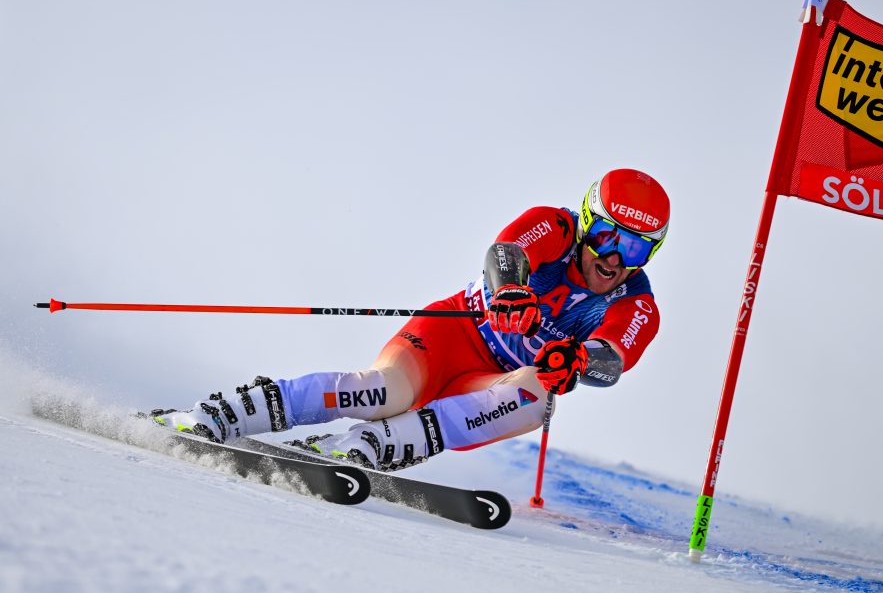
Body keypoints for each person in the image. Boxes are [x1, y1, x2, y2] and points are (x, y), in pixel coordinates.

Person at [152, 168, 669, 470]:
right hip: (449, 335)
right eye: (607, 236)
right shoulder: (552, 226)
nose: (614, 258)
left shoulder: (636, 302)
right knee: (383, 393)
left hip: (492, 381)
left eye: (635, 247)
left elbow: (612, 359)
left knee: (537, 399)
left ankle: (371, 446)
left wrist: (577, 360)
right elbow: (506, 252)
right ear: (585, 222)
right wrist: (510, 291)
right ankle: (223, 413)